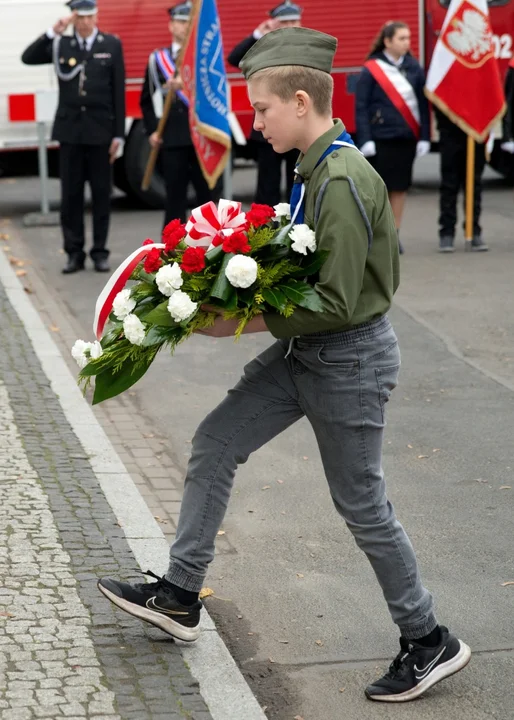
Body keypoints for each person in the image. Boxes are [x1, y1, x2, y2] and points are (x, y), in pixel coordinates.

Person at [97, 26, 471, 703]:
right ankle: (181, 594)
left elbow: (339, 298)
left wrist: (235, 323)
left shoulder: (345, 176)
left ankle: (427, 638)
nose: (254, 121)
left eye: (262, 109)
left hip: (348, 360)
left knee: (362, 504)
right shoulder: (314, 169)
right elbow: (304, 267)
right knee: (215, 441)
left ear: (301, 102)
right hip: (308, 353)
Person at [21, 0, 125, 274]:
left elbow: (118, 92)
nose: (86, 22)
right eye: (80, 17)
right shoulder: (60, 45)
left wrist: (119, 135)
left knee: (102, 195)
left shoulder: (111, 44)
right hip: (70, 132)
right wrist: (52, 32)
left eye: (90, 16)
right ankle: (74, 253)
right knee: (71, 196)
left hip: (100, 131)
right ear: (73, 18)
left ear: (96, 17)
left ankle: (100, 252)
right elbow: (28, 57)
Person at [355, 21, 430, 254]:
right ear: (387, 41)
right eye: (402, 38)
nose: (407, 42)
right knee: (379, 191)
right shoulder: (371, 68)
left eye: (408, 38)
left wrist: (425, 136)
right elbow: (361, 106)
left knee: (400, 188)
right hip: (380, 139)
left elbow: (422, 104)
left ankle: (394, 234)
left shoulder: (413, 67)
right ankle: (377, 235)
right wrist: (365, 139)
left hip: (405, 139)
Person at [140, 1, 212, 228]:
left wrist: (187, 86)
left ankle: (212, 246)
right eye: (180, 22)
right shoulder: (157, 60)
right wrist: (153, 130)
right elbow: (146, 99)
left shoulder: (203, 58)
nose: (184, 27)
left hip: (202, 135)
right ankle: (173, 250)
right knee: (174, 197)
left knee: (206, 196)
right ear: (171, 26)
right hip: (173, 137)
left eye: (188, 22)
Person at [227, 1, 303, 206]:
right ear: (274, 23)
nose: (290, 25)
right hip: (269, 124)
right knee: (267, 187)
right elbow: (234, 58)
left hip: (297, 124)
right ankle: (268, 232)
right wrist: (257, 35)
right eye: (284, 21)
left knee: (298, 183)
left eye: (294, 20)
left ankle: (297, 230)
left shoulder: (306, 48)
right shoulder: (263, 48)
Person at [435, 108, 488, 253]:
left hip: (476, 130)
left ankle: (474, 230)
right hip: (450, 130)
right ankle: (447, 232)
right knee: (449, 185)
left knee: (474, 185)